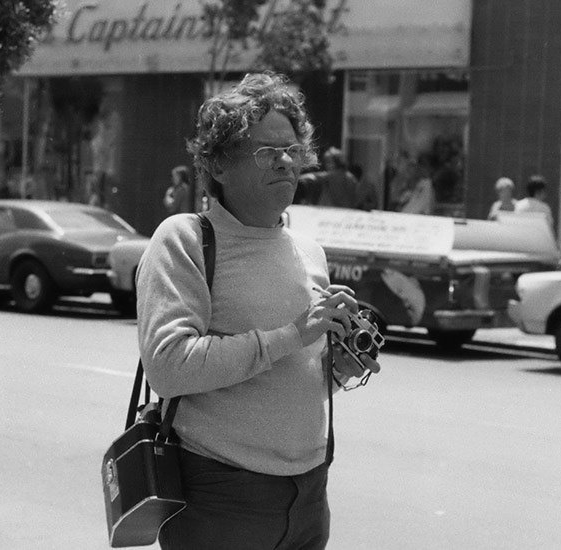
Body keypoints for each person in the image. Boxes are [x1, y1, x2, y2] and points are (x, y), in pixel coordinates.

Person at [135, 72, 382, 549]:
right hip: (221, 495)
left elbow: (296, 371)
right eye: (267, 152)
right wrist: (292, 334)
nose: (286, 162)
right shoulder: (185, 239)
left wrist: (339, 364)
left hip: (309, 494)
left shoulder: (310, 251)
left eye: (292, 149)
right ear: (220, 165)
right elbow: (168, 367)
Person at [299, 146, 365, 209]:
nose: (326, 165)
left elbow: (311, 177)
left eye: (329, 162)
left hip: (332, 212)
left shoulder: (329, 176)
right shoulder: (351, 178)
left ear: (335, 162)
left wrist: (297, 177)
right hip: (348, 213)